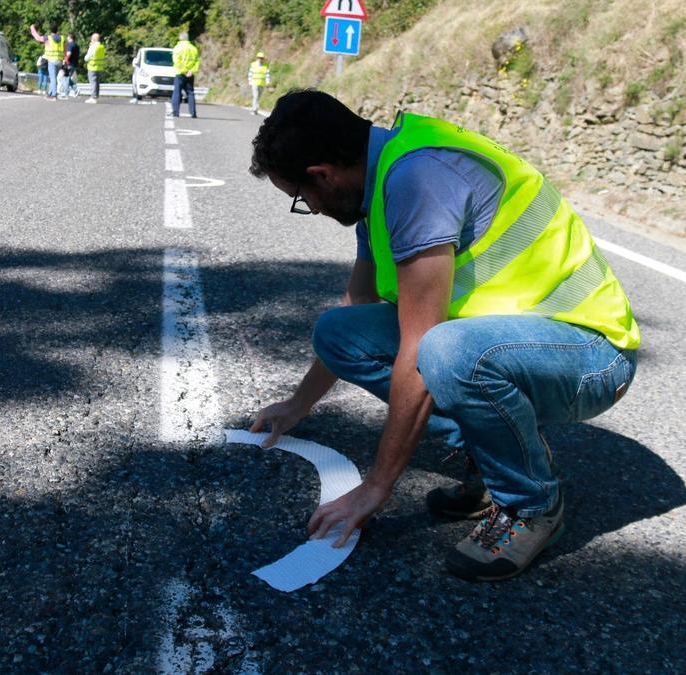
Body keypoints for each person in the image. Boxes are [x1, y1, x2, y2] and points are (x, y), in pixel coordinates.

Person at [247, 90, 641, 582]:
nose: (311, 207)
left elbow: (419, 349)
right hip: (514, 343)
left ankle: (531, 505)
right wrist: (297, 404)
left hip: (592, 354)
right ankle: (492, 454)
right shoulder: (379, 180)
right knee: (339, 332)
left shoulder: (416, 181)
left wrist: (376, 487)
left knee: (444, 352)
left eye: (301, 200)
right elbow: (358, 306)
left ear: (323, 174)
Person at [29, 22, 63, 100]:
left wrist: (32, 29)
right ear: (57, 30)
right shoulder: (62, 38)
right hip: (60, 60)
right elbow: (64, 49)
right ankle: (50, 93)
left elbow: (37, 38)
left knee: (53, 78)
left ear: (50, 30)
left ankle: (53, 95)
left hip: (52, 60)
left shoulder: (48, 38)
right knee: (54, 77)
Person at [169, 30, 198, 119]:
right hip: (190, 74)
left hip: (180, 73)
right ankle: (193, 113)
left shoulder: (177, 48)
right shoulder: (194, 48)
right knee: (190, 93)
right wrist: (191, 71)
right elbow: (197, 61)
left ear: (180, 38)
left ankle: (176, 112)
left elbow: (176, 62)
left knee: (177, 92)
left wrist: (184, 70)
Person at [83, 32, 103, 104]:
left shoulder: (93, 46)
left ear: (94, 39)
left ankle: (93, 97)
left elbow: (87, 58)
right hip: (99, 67)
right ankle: (96, 96)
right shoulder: (101, 46)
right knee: (97, 83)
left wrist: (89, 47)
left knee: (93, 83)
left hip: (92, 66)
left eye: (91, 38)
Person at [247, 51, 269, 115]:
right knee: (255, 96)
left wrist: (267, 81)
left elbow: (267, 74)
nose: (260, 59)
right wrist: (250, 81)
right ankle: (254, 109)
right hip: (254, 83)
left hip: (262, 83)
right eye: (259, 58)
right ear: (257, 58)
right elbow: (250, 73)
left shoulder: (265, 66)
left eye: (262, 58)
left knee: (258, 97)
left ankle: (255, 109)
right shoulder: (253, 64)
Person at [62, 31, 79, 98]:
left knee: (65, 78)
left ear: (70, 37)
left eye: (68, 36)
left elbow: (68, 54)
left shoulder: (70, 45)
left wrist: (64, 61)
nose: (67, 38)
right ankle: (75, 89)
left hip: (69, 63)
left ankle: (65, 93)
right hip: (74, 64)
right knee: (67, 78)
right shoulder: (76, 45)